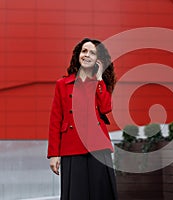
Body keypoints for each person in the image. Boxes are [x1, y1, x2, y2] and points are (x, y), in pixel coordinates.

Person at [47, 38, 118, 200]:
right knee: (75, 194)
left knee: (102, 194)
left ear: (98, 60)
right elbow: (55, 120)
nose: (87, 55)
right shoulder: (62, 84)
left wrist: (99, 79)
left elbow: (106, 108)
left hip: (98, 147)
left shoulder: (100, 84)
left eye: (92, 53)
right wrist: (53, 154)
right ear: (78, 55)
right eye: (84, 51)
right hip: (71, 147)